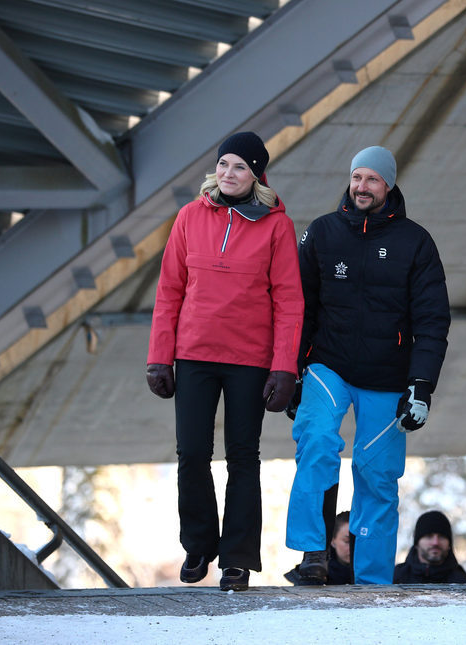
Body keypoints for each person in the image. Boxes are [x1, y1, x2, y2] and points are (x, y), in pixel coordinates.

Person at [146, 131, 303, 592]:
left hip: (250, 359)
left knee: (243, 458)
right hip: (193, 353)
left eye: (239, 167)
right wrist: (159, 357)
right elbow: (169, 290)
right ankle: (198, 544)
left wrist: (284, 367)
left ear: (256, 173)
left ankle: (236, 558)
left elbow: (290, 302)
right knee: (191, 453)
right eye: (223, 165)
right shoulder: (190, 217)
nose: (228, 174)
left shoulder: (277, 225)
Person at [286, 145, 451, 585]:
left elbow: (433, 319)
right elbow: (297, 307)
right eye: (357, 177)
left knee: (377, 475)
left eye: (372, 179)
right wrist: (289, 371)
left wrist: (421, 385)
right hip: (328, 365)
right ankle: (312, 552)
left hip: (387, 376)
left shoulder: (415, 242)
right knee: (318, 441)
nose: (361, 186)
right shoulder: (322, 232)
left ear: (389, 185)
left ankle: (373, 581)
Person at [393, 510, 466, 584]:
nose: (435, 542)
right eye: (429, 536)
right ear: (417, 542)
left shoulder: (463, 583)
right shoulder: (396, 578)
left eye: (441, 536)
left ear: (449, 543)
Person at [285, 510, 353, 585]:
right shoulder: (316, 570)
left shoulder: (366, 573)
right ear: (332, 541)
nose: (352, 548)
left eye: (357, 542)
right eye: (347, 541)